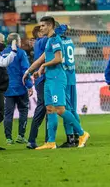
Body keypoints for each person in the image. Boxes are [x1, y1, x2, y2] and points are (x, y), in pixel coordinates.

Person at [23, 16, 89, 150]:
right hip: (49, 79)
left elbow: (59, 59)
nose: (40, 28)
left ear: (50, 26)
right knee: (50, 109)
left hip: (58, 78)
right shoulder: (48, 41)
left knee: (60, 109)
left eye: (43, 26)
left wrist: (43, 66)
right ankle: (51, 142)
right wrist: (28, 71)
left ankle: (82, 133)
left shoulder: (55, 40)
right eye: (40, 26)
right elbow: (41, 59)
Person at [57, 24, 90, 148]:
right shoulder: (69, 41)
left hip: (63, 78)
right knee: (72, 110)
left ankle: (72, 138)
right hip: (72, 77)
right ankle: (77, 136)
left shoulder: (57, 41)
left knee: (65, 109)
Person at [2, 33, 33, 145]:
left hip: (7, 88)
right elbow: (25, 70)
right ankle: (21, 135)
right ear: (16, 41)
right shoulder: (21, 53)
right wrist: (29, 85)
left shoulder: (2, 53)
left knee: (8, 114)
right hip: (20, 87)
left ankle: (8, 138)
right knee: (23, 111)